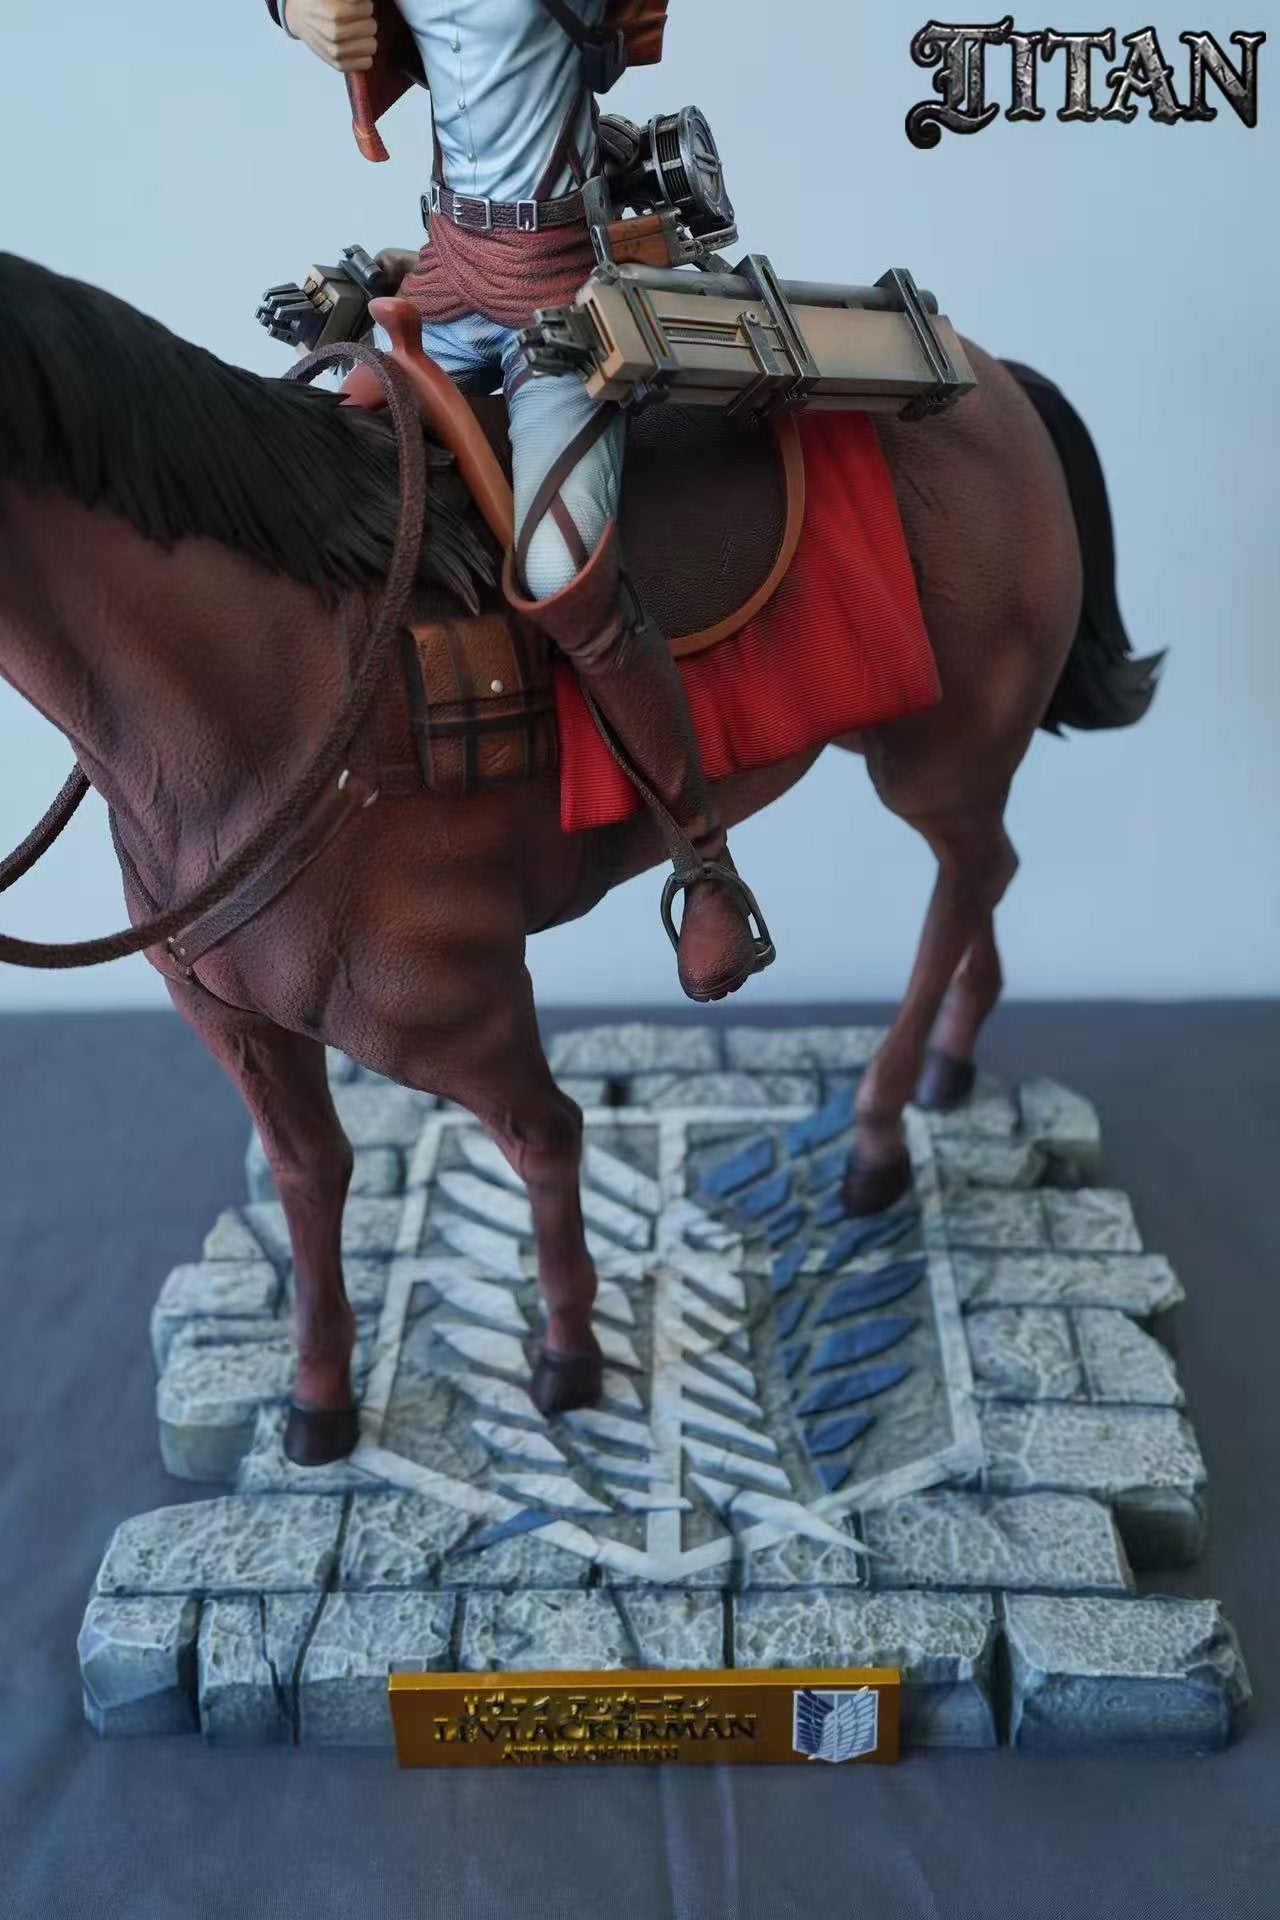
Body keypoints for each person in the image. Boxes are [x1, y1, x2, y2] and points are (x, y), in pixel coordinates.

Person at [267, 0, 771, 1001]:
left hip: (560, 288)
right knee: (310, 456)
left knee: (559, 568)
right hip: (446, 272)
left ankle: (705, 863)